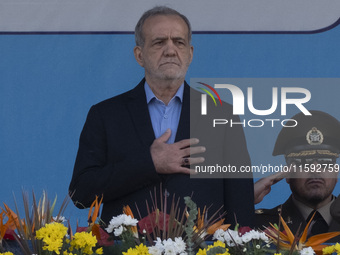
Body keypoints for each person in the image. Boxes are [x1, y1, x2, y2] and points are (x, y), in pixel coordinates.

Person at [69, 6, 254, 227]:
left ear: (190, 53)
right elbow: (81, 193)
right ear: (139, 55)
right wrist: (150, 163)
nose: (170, 50)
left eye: (179, 42)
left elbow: (239, 202)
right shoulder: (106, 115)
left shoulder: (222, 114)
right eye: (159, 42)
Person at [255, 110, 340, 239]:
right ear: (287, 174)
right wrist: (247, 198)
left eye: (324, 162)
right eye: (304, 162)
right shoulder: (261, 225)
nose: (315, 169)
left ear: (336, 172)